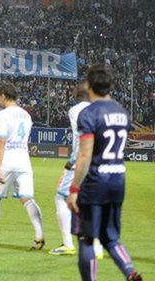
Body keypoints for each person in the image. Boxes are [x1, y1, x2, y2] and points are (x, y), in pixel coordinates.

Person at [66, 64, 142, 281]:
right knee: (111, 238)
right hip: (118, 178)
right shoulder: (122, 112)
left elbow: (85, 156)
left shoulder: (88, 114)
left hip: (96, 181)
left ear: (88, 85)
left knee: (86, 238)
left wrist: (73, 189)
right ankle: (130, 272)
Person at [0, 83, 44, 249]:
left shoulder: (2, 115)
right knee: (27, 198)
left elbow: (1, 140)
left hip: (8, 160)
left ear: (3, 95)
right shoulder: (26, 115)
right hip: (24, 160)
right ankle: (39, 235)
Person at [50, 85, 104, 258]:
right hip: (100, 162)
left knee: (61, 197)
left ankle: (67, 244)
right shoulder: (100, 110)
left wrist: (71, 163)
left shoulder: (75, 111)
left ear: (76, 96)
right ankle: (97, 247)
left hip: (81, 161)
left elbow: (81, 138)